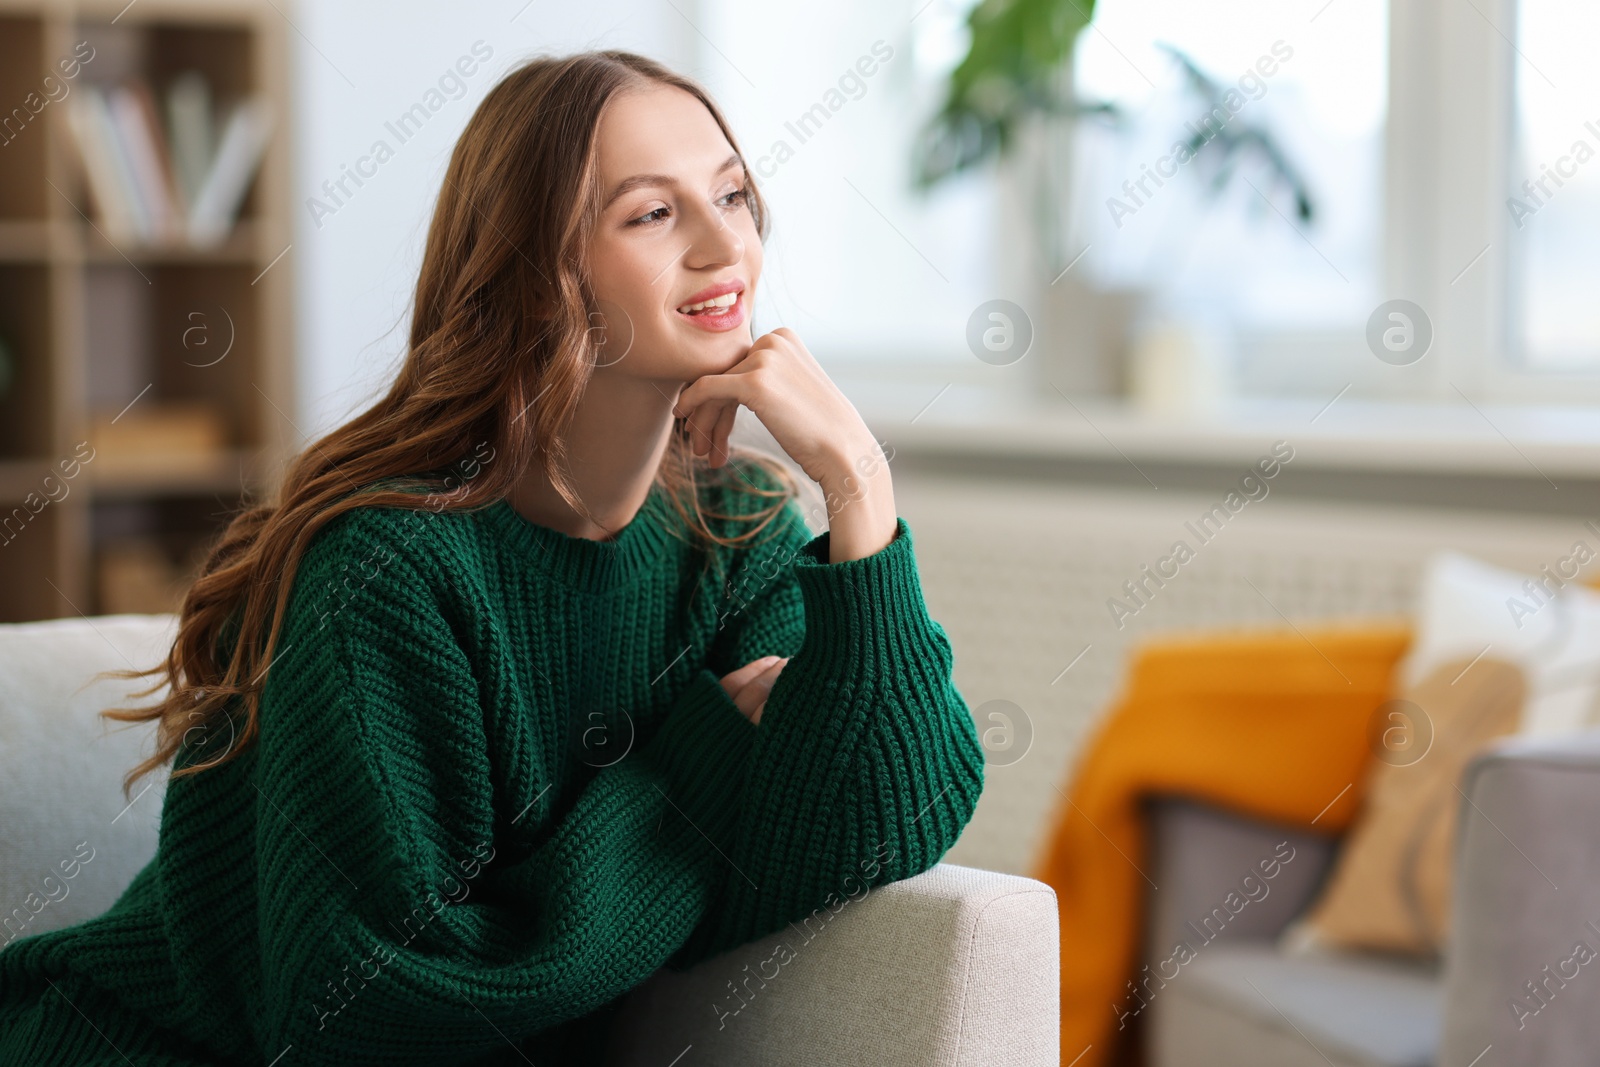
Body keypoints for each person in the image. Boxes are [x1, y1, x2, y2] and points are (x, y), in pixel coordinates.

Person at [0, 49, 983, 1065]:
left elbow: (889, 811)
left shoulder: (736, 537)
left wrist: (858, 483)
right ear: (538, 268)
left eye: (731, 193)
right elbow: (376, 1003)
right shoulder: (387, 569)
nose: (719, 244)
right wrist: (698, 779)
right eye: (651, 213)